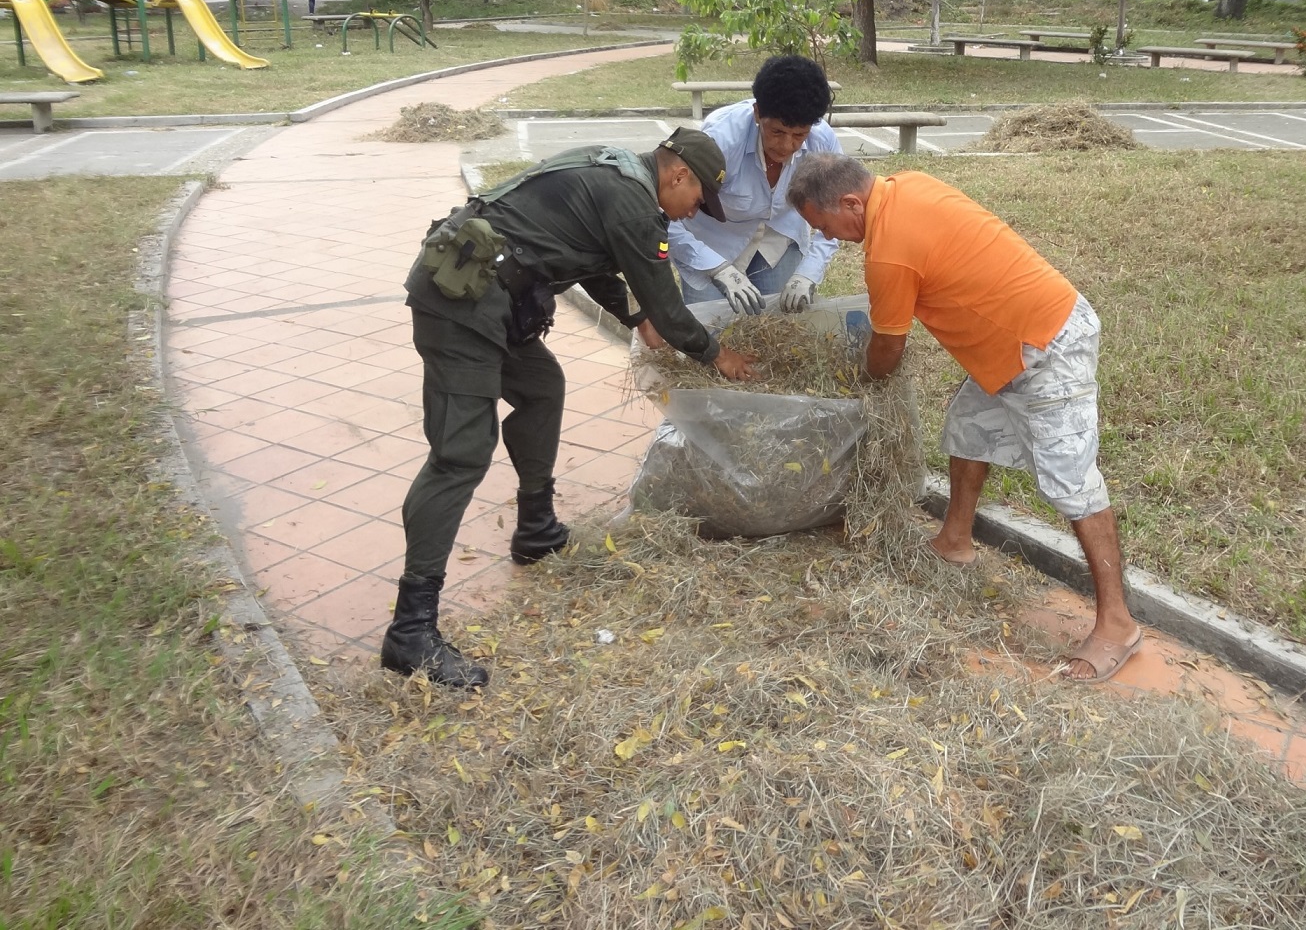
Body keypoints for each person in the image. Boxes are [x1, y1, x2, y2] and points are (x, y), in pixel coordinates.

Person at [383, 128, 756, 689]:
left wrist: (636, 318)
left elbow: (595, 264)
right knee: (460, 455)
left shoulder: (615, 170)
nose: (692, 214)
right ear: (678, 175)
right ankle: (410, 629)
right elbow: (672, 312)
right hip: (461, 302)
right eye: (698, 200)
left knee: (542, 386)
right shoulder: (635, 203)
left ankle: (535, 528)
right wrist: (716, 354)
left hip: (495, 299)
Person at [788, 153, 1143, 683]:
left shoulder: (886, 253)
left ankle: (1117, 623)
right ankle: (955, 541)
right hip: (1003, 348)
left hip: (1045, 346)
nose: (831, 238)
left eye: (825, 225)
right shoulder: (910, 185)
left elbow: (887, 350)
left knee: (1072, 482)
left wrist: (856, 385)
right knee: (967, 430)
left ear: (850, 203)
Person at [667, 55, 842, 314]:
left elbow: (838, 210)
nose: (786, 146)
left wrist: (808, 272)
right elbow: (665, 217)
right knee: (708, 330)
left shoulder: (822, 142)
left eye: (799, 135)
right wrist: (716, 268)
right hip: (713, 240)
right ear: (758, 113)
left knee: (778, 326)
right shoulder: (719, 140)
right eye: (777, 132)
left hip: (779, 238)